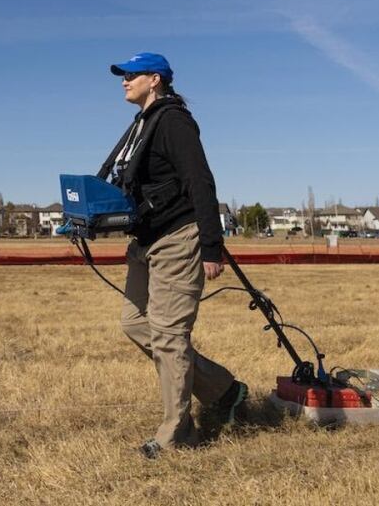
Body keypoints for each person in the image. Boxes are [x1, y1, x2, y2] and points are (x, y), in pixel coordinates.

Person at [100, 52, 247, 459]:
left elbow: (200, 180)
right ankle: (223, 389)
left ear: (156, 79)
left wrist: (211, 245)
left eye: (131, 75)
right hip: (144, 242)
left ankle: (177, 433)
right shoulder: (140, 126)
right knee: (135, 323)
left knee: (169, 336)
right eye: (123, 76)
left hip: (178, 239)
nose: (124, 81)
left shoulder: (174, 121)